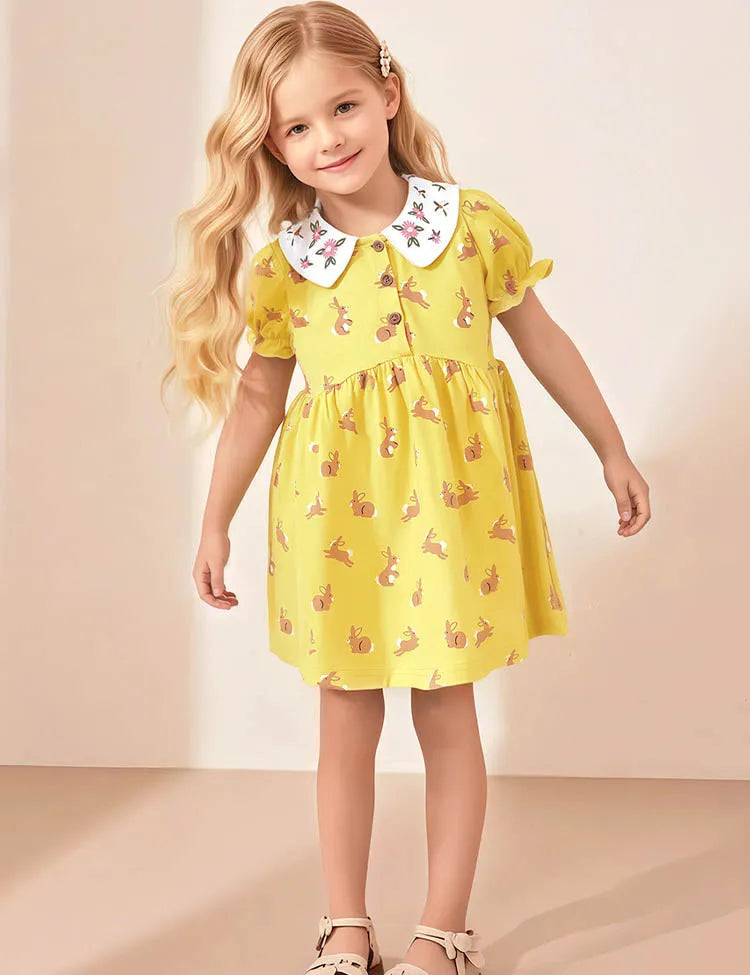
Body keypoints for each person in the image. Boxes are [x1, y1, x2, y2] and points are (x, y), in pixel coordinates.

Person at [160, 4, 651, 974]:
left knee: (446, 706)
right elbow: (259, 400)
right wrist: (214, 521)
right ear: (274, 147)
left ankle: (443, 929)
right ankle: (345, 921)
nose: (327, 138)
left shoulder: (471, 228)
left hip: (452, 515)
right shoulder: (287, 268)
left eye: (342, 107)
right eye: (297, 127)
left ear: (387, 92)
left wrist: (612, 448)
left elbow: (543, 340)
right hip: (334, 520)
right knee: (346, 716)